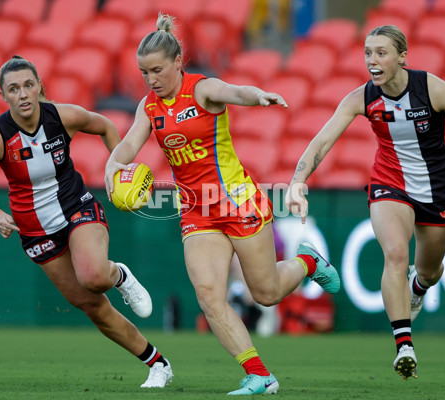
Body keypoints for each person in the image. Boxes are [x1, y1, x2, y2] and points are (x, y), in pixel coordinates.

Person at [104, 13, 340, 395]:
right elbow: (129, 145)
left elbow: (236, 91)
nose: (151, 80)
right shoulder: (149, 107)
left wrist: (257, 96)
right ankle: (259, 374)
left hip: (236, 199)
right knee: (209, 295)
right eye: (145, 72)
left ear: (178, 62)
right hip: (196, 210)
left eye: (157, 70)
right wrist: (113, 164)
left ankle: (308, 261)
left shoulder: (201, 90)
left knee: (265, 293)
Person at [285, 25, 445, 380]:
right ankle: (404, 345)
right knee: (396, 254)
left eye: (381, 52)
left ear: (401, 57)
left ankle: (418, 287)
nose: (372, 60)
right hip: (389, 183)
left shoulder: (433, 89)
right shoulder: (362, 98)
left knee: (429, 271)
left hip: (438, 191)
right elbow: (321, 141)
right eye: (368, 53)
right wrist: (296, 182)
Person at [0, 56, 173, 388]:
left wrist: (118, 168)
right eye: (14, 89)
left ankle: (118, 274)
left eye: (28, 85)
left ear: (39, 87)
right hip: (35, 231)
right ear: (3, 95)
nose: (23, 95)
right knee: (90, 305)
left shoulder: (64, 116)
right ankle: (158, 364)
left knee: (93, 276)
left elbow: (106, 125)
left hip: (76, 206)